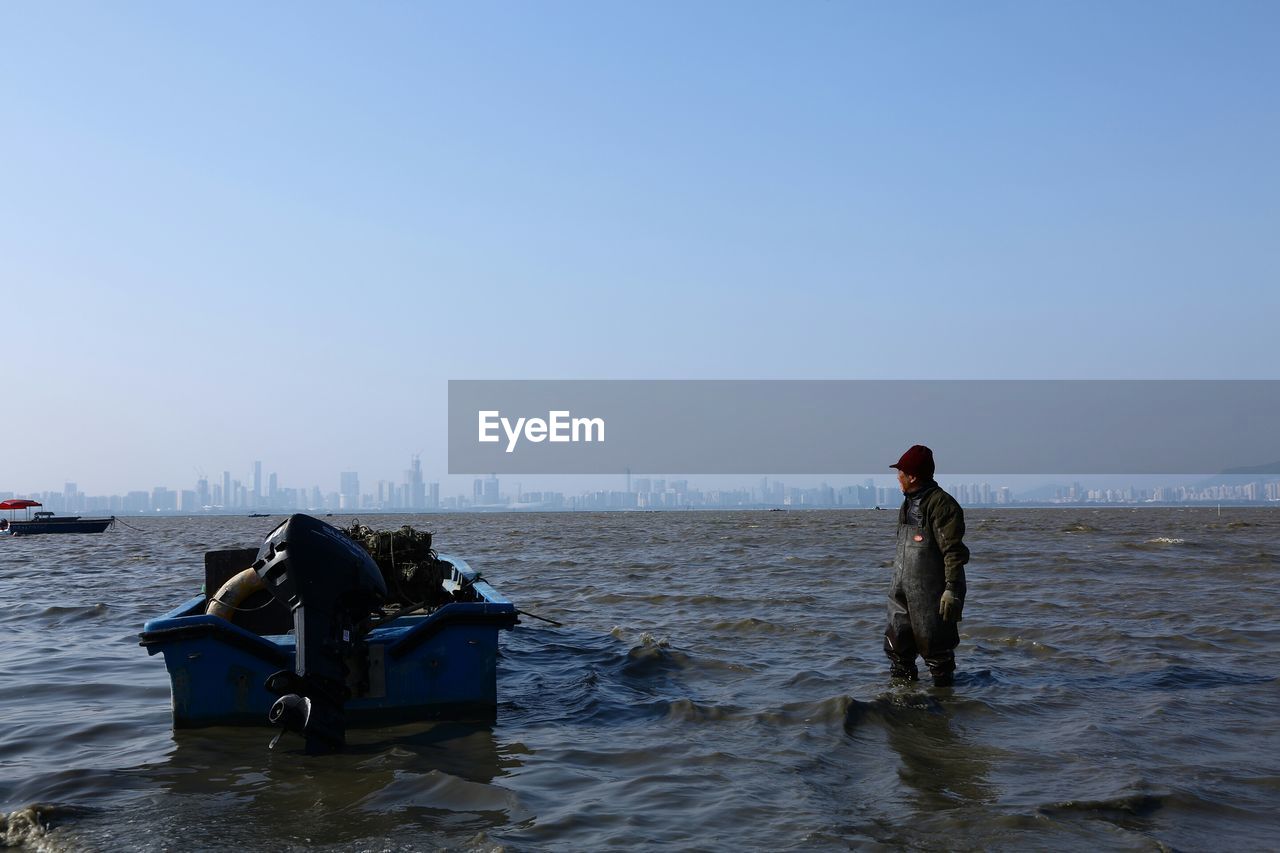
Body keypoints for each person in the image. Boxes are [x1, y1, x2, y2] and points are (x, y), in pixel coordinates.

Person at [883, 444, 969, 686]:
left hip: (933, 592)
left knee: (937, 651)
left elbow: (954, 552)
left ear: (913, 476)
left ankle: (944, 706)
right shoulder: (907, 504)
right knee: (897, 646)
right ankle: (902, 703)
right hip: (901, 589)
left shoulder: (942, 505)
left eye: (900, 473)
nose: (897, 478)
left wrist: (951, 589)